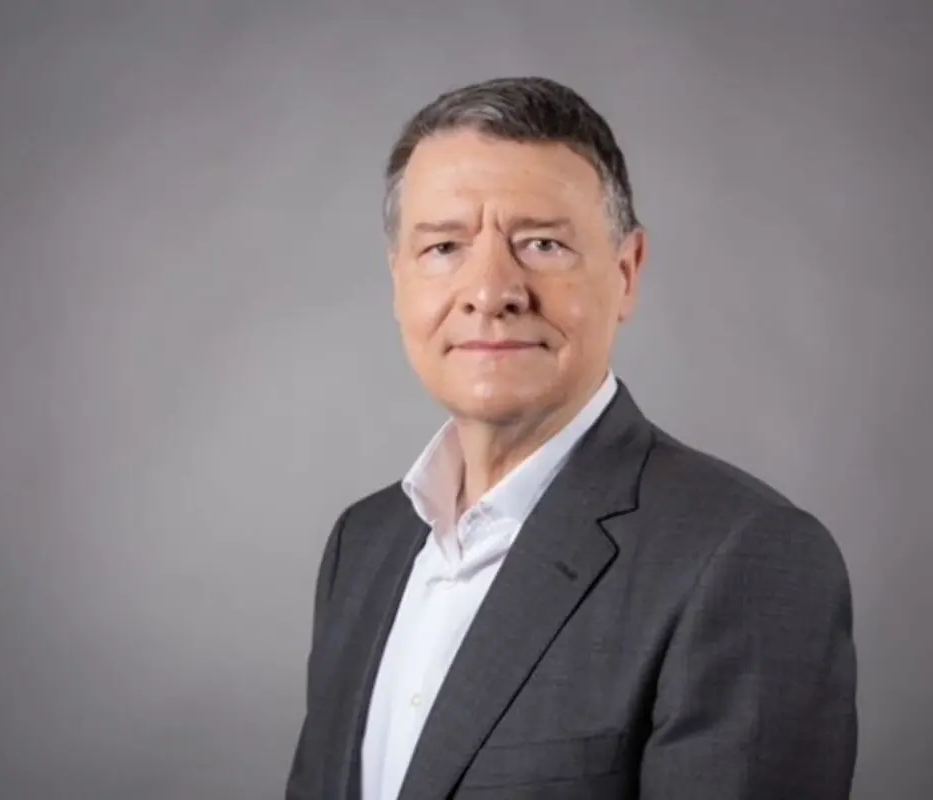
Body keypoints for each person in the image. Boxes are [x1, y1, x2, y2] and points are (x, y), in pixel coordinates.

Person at [285, 76, 857, 800]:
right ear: (398, 279)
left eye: (543, 244)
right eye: (444, 248)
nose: (491, 290)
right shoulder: (362, 546)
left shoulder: (745, 556)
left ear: (626, 272)